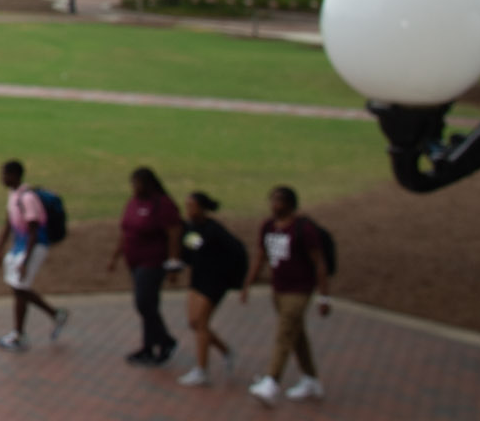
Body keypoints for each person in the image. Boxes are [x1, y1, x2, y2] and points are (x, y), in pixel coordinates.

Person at [244, 184, 331, 404]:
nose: (274, 205)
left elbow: (319, 263)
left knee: (284, 334)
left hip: (299, 290)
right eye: (272, 200)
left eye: (279, 201)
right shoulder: (268, 226)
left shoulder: (304, 229)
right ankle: (311, 379)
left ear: (290, 204)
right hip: (278, 289)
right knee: (296, 334)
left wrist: (323, 296)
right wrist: (248, 284)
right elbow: (260, 256)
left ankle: (271, 382)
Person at [106, 166, 183, 365]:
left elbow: (174, 233)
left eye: (137, 183)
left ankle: (165, 341)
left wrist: (173, 264)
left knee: (144, 302)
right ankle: (149, 346)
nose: (134, 187)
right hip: (134, 260)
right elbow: (126, 230)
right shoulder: (133, 202)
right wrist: (116, 256)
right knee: (147, 305)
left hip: (153, 261)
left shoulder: (162, 204)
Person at [0, 159, 69, 351]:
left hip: (35, 246)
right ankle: (52, 316)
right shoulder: (13, 195)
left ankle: (20, 333)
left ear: (15, 175)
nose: (2, 178)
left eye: (5, 174)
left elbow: (34, 230)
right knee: (18, 288)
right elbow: (9, 222)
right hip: (21, 246)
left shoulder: (27, 198)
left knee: (20, 287)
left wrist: (26, 260)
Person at [174, 191, 245, 387]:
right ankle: (226, 351)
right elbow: (187, 252)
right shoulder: (189, 228)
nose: (188, 209)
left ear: (202, 208)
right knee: (194, 322)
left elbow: (237, 251)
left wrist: (232, 278)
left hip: (215, 282)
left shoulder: (214, 230)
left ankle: (201, 370)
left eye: (192, 206)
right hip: (198, 279)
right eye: (186, 205)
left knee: (201, 323)